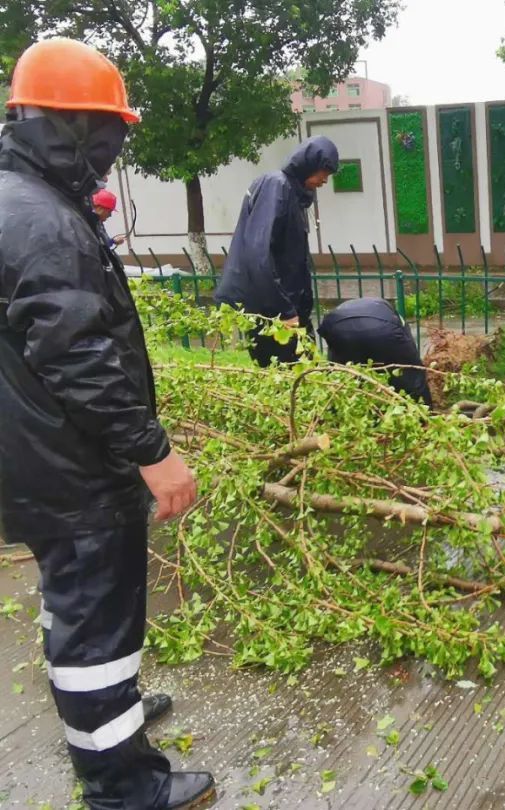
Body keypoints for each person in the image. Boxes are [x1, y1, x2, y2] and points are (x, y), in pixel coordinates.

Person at [0, 39, 214, 808]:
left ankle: (110, 714)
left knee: (79, 607)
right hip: (72, 468)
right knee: (94, 622)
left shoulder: (21, 199)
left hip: (37, 457)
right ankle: (122, 784)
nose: (114, 152)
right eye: (110, 134)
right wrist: (154, 453)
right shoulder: (42, 221)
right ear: (77, 128)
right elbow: (81, 358)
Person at [214, 136, 339, 367]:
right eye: (323, 171)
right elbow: (258, 253)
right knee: (287, 376)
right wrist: (283, 311)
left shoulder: (295, 195)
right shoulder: (276, 186)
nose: (324, 179)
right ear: (307, 164)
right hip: (272, 310)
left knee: (305, 373)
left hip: (287, 307)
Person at [317, 298, 433, 406]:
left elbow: (333, 359)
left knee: (342, 371)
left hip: (336, 327)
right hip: (384, 328)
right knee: (410, 373)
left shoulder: (350, 307)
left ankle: (334, 406)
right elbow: (410, 358)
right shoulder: (394, 317)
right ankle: (422, 412)